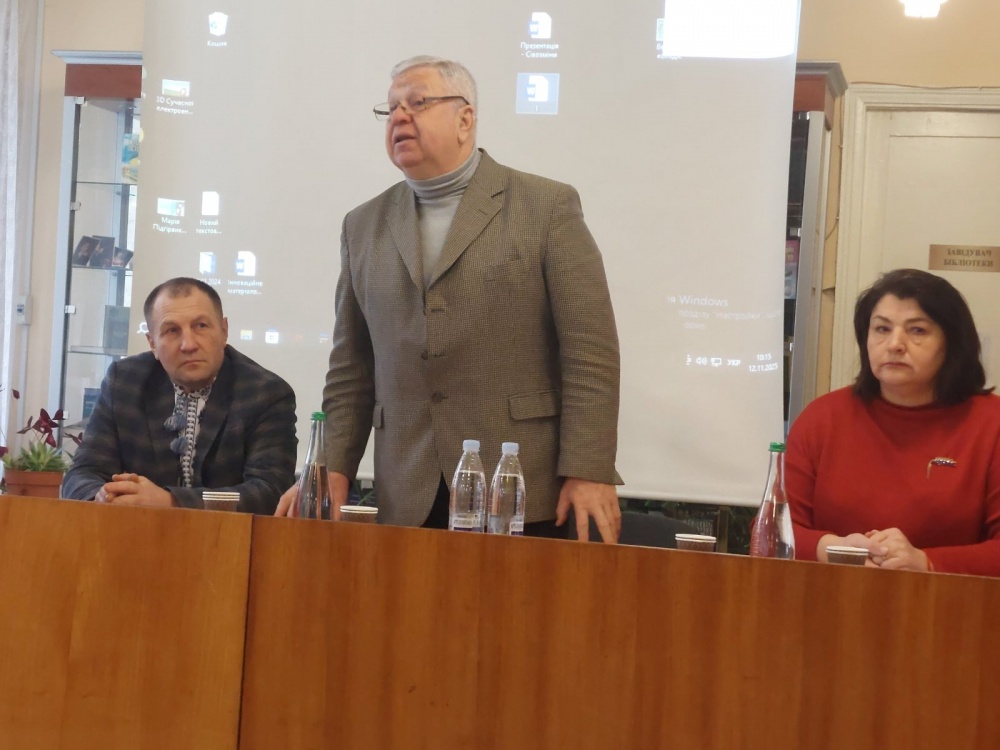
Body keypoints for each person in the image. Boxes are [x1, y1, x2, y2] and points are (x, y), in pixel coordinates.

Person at [277, 55, 622, 541]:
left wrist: (587, 468)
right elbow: (352, 366)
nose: (399, 116)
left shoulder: (545, 206)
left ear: (465, 119)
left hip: (521, 486)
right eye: (391, 108)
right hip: (408, 487)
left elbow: (590, 352)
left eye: (417, 102)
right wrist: (331, 467)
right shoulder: (363, 225)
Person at [786, 269, 1000, 576]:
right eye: (882, 329)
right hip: (833, 598)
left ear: (952, 343)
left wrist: (925, 562)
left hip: (950, 603)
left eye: (917, 330)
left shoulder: (991, 424)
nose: (895, 344)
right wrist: (836, 549)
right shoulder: (823, 418)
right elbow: (773, 531)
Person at [62, 277, 297, 513]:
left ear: (224, 331)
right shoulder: (124, 381)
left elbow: (269, 491)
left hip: (226, 534)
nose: (188, 344)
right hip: (135, 531)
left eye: (201, 326)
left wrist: (171, 502)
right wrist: (105, 497)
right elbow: (82, 473)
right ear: (152, 343)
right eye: (172, 330)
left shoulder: (265, 393)